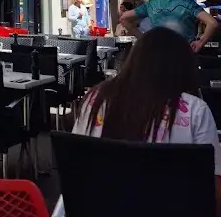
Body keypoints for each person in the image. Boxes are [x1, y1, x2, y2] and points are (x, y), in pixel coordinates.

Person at [70, 27, 221, 207]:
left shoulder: (95, 99)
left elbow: (75, 167)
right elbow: (214, 192)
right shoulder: (196, 111)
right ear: (184, 67)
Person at [121, 0, 217, 52]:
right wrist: (200, 42)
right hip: (184, 53)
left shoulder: (152, 4)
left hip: (156, 52)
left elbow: (124, 18)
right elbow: (212, 23)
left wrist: (141, 37)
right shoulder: (190, 5)